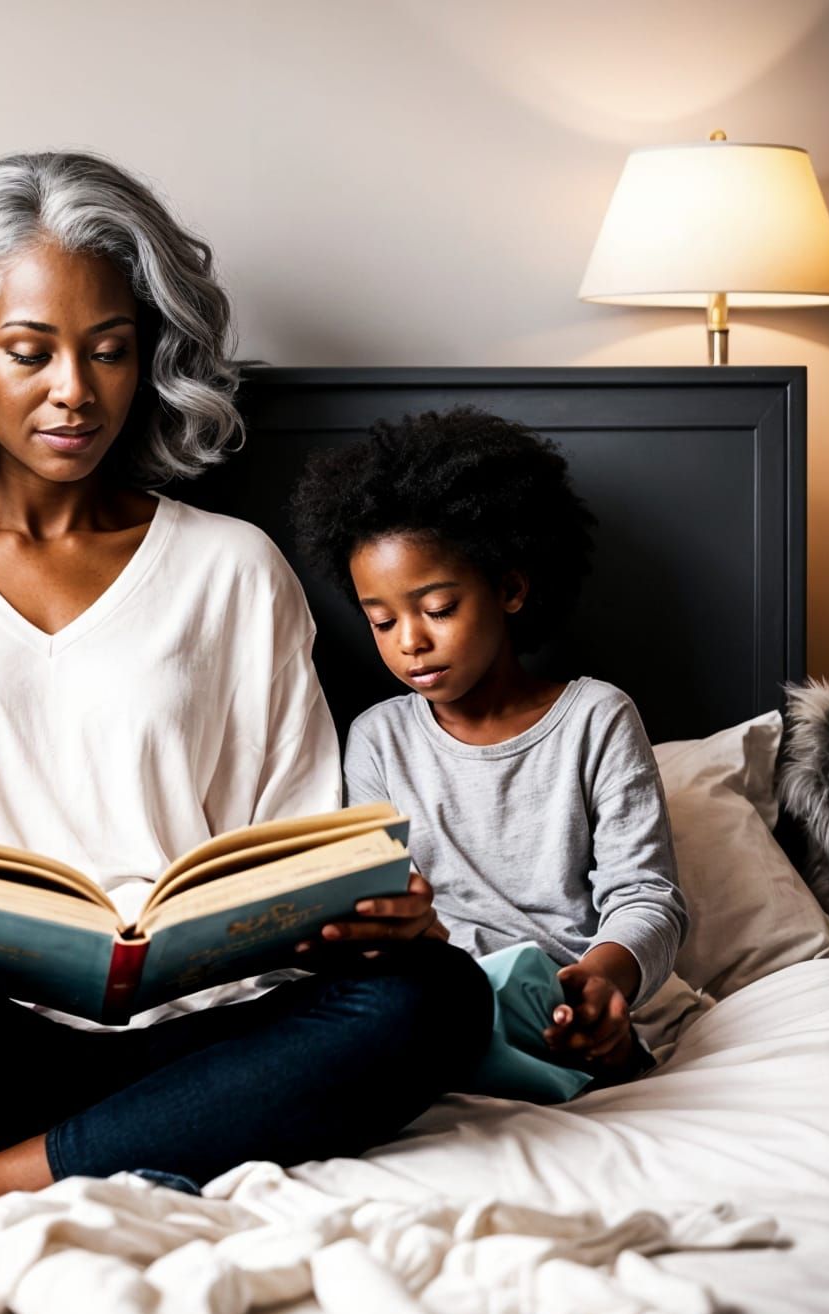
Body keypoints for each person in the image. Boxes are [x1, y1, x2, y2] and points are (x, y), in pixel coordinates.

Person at [0, 150, 494, 1194]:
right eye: (29, 352)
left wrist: (361, 923)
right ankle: (141, 1143)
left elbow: (286, 845)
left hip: (200, 1035)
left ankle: (9, 1175)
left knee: (439, 998)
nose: (74, 393)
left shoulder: (231, 567)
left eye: (109, 351)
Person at [292, 407, 689, 1078]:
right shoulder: (379, 739)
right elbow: (379, 903)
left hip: (562, 991)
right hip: (431, 990)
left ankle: (595, 1052)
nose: (410, 641)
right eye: (382, 622)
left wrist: (604, 980)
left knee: (568, 1038)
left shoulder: (596, 717)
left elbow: (645, 895)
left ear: (508, 588)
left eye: (437, 610)